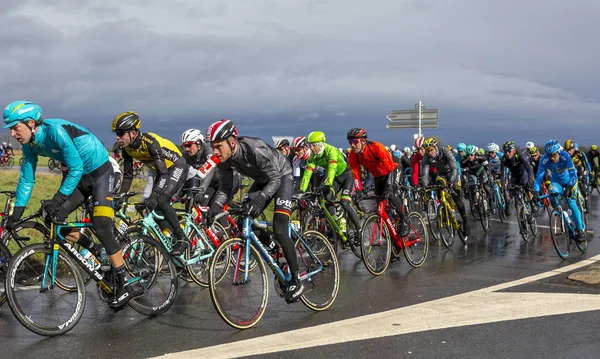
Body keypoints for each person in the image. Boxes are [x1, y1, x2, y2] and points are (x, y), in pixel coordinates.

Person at [3, 100, 141, 310]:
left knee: (101, 223)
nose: (13, 134)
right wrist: (17, 213)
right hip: (82, 179)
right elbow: (27, 178)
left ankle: (125, 282)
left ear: (31, 123)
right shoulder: (30, 145)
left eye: (15, 128)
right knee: (53, 218)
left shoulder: (55, 131)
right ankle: (93, 248)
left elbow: (75, 167)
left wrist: (57, 198)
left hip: (102, 173)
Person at [206, 119, 304, 303]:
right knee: (246, 217)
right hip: (263, 179)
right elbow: (225, 188)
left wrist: (260, 199)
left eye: (218, 146)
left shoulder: (254, 148)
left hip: (281, 176)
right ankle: (274, 248)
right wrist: (214, 208)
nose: (215, 152)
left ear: (232, 142)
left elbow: (275, 178)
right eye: (213, 147)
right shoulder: (224, 160)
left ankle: (296, 280)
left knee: (280, 227)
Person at [112, 111, 190, 255]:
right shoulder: (127, 148)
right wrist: (121, 195)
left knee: (161, 200)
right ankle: (168, 235)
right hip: (160, 171)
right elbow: (128, 176)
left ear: (133, 133)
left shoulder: (150, 143)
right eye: (117, 133)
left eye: (121, 133)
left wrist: (155, 195)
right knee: (148, 206)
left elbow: (164, 174)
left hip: (176, 166)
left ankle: (182, 238)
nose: (118, 137)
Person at [299, 131, 362, 238]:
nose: (312, 148)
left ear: (320, 144)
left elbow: (332, 169)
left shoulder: (331, 150)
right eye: (310, 146)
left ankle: (359, 229)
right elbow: (307, 173)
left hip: (346, 176)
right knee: (327, 199)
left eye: (313, 145)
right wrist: (302, 190)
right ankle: (338, 221)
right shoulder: (313, 157)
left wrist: (327, 184)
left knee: (345, 203)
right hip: (336, 179)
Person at [346, 128, 408, 236]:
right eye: (350, 142)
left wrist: (389, 186)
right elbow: (356, 175)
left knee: (391, 193)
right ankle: (389, 223)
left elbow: (389, 169)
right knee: (379, 200)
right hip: (378, 175)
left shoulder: (377, 147)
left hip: (392, 168)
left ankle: (404, 219)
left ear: (363, 141)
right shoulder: (352, 155)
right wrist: (359, 190)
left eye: (355, 142)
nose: (352, 145)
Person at [533, 140, 585, 241]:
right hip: (556, 182)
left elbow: (573, 174)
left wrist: (569, 187)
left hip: (570, 180)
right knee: (552, 196)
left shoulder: (565, 155)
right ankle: (564, 217)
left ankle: (580, 231)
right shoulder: (544, 160)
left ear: (558, 152)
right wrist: (535, 191)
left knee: (571, 203)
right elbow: (539, 177)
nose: (552, 158)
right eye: (549, 156)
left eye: (553, 155)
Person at [420, 137, 470, 237]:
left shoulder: (445, 150)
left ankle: (465, 221)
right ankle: (444, 210)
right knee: (438, 188)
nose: (430, 153)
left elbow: (454, 166)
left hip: (452, 172)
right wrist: (424, 186)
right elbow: (425, 173)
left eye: (431, 150)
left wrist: (452, 179)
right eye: (428, 151)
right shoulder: (426, 157)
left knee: (456, 198)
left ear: (435, 147)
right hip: (441, 174)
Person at [500, 141, 535, 216]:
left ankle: (532, 204)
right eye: (505, 152)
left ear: (514, 150)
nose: (507, 154)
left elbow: (529, 169)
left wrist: (530, 180)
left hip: (523, 172)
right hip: (514, 175)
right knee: (513, 190)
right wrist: (503, 184)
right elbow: (502, 172)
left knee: (526, 186)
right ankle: (519, 208)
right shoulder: (504, 159)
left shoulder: (520, 155)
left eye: (509, 151)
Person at [564, 139, 591, 212]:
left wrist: (584, 174)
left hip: (580, 170)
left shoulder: (579, 154)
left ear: (573, 148)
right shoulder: (565, 156)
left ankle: (586, 203)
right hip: (571, 171)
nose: (568, 152)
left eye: (570, 150)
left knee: (582, 185)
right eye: (567, 150)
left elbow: (585, 165)